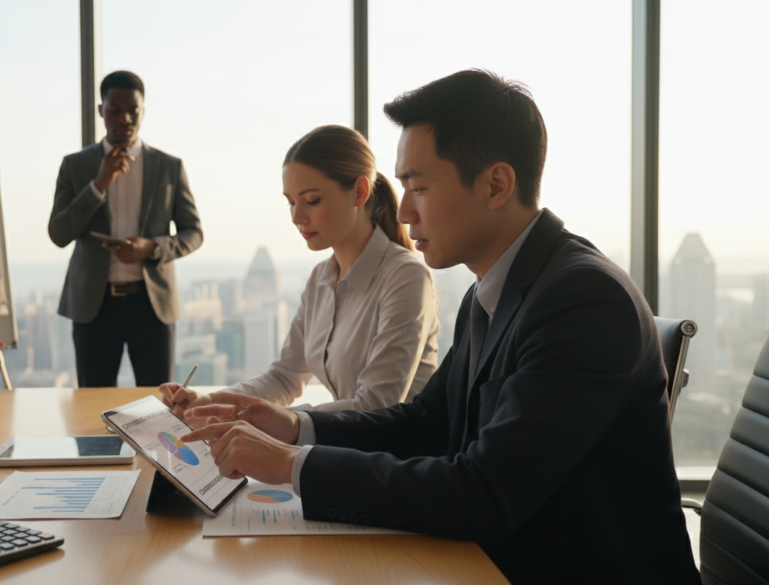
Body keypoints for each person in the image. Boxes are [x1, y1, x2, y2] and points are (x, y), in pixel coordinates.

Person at [179, 70, 700, 584]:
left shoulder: (582, 300)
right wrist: (293, 427)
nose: (403, 212)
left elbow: (485, 493)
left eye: (419, 187)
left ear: (496, 184)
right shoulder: (492, 288)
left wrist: (293, 465)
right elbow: (427, 424)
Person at [161, 125, 439, 415]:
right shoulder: (320, 279)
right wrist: (209, 402)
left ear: (359, 191)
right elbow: (284, 377)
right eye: (291, 202)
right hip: (346, 448)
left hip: (395, 454)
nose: (296, 217)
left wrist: (284, 421)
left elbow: (375, 406)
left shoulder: (406, 277)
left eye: (311, 200)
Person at [48, 70, 202, 387]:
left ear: (143, 111)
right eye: (116, 110)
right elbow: (59, 234)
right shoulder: (75, 166)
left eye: (133, 110)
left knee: (161, 407)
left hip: (151, 305)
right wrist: (98, 185)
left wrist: (152, 248)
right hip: (94, 306)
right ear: (100, 111)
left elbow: (193, 232)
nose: (125, 118)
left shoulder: (169, 167)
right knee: (91, 407)